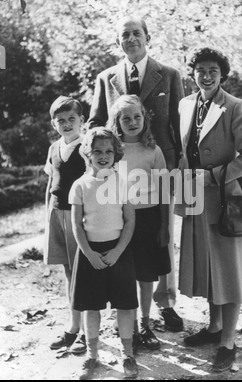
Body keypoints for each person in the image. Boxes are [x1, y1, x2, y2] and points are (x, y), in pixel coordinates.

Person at [88, 15, 184, 332]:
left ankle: (165, 303)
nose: (131, 38)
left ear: (147, 37)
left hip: (158, 166)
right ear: (119, 41)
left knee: (160, 236)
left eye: (137, 33)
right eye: (125, 34)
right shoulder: (106, 78)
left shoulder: (169, 75)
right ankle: (125, 304)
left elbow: (179, 126)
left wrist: (181, 169)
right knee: (122, 235)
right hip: (118, 173)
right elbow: (94, 123)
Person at [176, 47, 242, 372]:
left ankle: (227, 341)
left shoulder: (235, 106)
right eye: (200, 69)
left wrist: (212, 176)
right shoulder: (186, 104)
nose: (206, 75)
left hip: (226, 202)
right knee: (209, 270)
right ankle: (213, 328)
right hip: (195, 200)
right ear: (193, 72)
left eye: (213, 70)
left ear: (222, 74)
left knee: (230, 271)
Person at [69, 127, 138, 379]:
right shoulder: (80, 186)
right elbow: (76, 225)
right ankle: (92, 355)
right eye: (97, 151)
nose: (103, 156)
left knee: (125, 305)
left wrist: (118, 250)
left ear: (116, 153)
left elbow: (130, 221)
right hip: (90, 253)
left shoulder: (123, 182)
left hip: (118, 251)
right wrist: (89, 253)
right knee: (90, 306)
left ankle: (128, 354)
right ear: (87, 153)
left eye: (109, 151)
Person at [108, 94, 171, 351]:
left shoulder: (153, 151)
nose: (132, 122)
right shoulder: (112, 151)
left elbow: (164, 191)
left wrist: (165, 226)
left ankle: (145, 323)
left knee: (146, 276)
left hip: (148, 220)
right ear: (117, 121)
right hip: (120, 220)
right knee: (125, 275)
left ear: (144, 118)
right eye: (126, 118)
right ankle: (129, 325)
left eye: (137, 117)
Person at [44, 96, 86, 354]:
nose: (67, 124)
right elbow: (51, 184)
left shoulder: (87, 147)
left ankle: (86, 332)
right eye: (61, 121)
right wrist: (47, 213)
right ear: (54, 124)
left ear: (82, 120)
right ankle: (73, 326)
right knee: (68, 272)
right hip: (57, 213)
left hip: (78, 217)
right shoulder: (54, 148)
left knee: (83, 275)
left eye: (72, 119)